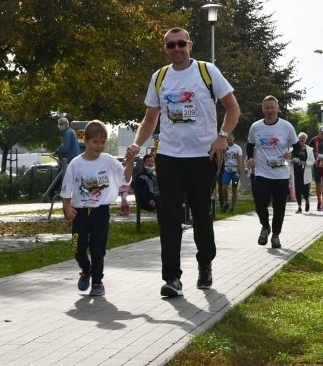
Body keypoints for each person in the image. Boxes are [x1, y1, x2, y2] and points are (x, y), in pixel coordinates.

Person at [126, 27, 240, 298]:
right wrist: (136, 144)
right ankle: (172, 278)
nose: (176, 49)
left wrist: (221, 137)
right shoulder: (160, 77)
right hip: (170, 157)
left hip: (203, 157)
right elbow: (150, 118)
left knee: (201, 215)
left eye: (180, 44)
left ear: (190, 44)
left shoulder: (207, 71)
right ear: (165, 49)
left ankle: (205, 262)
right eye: (170, 45)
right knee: (169, 216)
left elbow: (233, 108)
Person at [60, 120, 134, 297]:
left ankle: (97, 282)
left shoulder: (108, 161)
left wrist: (130, 162)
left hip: (100, 212)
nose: (99, 146)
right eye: (95, 142)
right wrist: (66, 207)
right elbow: (67, 187)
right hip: (80, 213)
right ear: (85, 140)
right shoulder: (76, 164)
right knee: (77, 247)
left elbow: (124, 179)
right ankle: (86, 269)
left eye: (103, 142)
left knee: (98, 248)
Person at [246, 95, 298, 249]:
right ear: (262, 109)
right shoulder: (256, 127)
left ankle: (275, 234)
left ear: (277, 109)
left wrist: (291, 152)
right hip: (262, 172)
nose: (270, 110)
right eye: (267, 107)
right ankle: (265, 226)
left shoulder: (286, 127)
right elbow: (250, 144)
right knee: (260, 203)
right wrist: (250, 157)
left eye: (272, 107)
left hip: (281, 174)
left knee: (279, 207)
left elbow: (296, 147)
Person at [44, 117, 81, 202]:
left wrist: (56, 151)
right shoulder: (71, 132)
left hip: (68, 160)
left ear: (65, 124)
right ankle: (52, 194)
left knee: (60, 177)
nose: (59, 126)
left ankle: (50, 195)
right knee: (63, 178)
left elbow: (65, 147)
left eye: (60, 124)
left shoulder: (68, 133)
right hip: (71, 158)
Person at [309, 125, 323, 212]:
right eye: (322, 131)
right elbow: (309, 151)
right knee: (318, 184)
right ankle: (319, 201)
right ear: (318, 131)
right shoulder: (313, 140)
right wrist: (315, 158)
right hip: (317, 165)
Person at [291, 132, 314, 213]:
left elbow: (312, 161)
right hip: (296, 172)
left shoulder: (309, 150)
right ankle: (299, 207)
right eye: (300, 139)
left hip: (305, 172)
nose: (301, 140)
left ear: (306, 140)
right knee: (298, 190)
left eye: (303, 139)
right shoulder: (294, 148)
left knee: (305, 190)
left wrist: (305, 163)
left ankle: (307, 201)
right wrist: (293, 160)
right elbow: (289, 158)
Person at [221, 134, 243, 213]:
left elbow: (240, 160)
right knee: (224, 188)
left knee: (234, 189)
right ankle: (225, 203)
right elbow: (221, 157)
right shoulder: (225, 147)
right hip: (227, 170)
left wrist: (239, 171)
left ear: (233, 139)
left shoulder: (237, 148)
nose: (229, 141)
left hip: (235, 171)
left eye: (230, 139)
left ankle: (232, 206)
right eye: (228, 139)